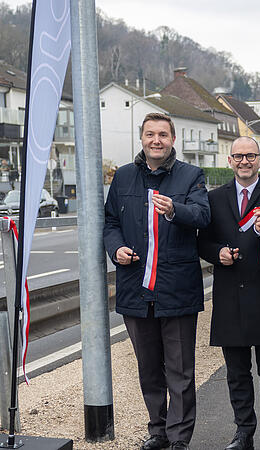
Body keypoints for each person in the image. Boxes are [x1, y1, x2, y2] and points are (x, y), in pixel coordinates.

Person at [104, 112, 210, 450]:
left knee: (180, 371)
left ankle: (179, 438)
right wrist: (116, 248)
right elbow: (109, 222)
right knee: (149, 368)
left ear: (173, 140)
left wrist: (174, 210)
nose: (156, 141)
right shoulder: (122, 177)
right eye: (150, 134)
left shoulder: (191, 176)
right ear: (142, 138)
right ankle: (158, 430)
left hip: (176, 288)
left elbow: (203, 216)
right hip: (136, 287)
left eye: (163, 135)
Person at [197, 137, 260, 450]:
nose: (244, 161)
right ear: (229, 160)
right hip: (229, 296)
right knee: (237, 372)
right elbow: (202, 242)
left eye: (250, 155)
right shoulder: (214, 198)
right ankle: (243, 432)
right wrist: (217, 253)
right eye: (238, 156)